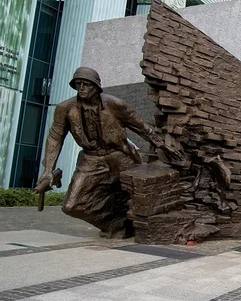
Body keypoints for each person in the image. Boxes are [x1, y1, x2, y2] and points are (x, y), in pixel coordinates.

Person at [35, 67, 183, 238]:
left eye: (87, 84)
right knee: (71, 205)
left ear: (96, 87)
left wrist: (163, 146)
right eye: (78, 84)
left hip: (120, 156)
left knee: (142, 194)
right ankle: (116, 224)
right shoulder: (65, 109)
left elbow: (141, 127)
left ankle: (144, 226)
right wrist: (48, 172)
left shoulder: (114, 104)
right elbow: (55, 137)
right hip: (91, 160)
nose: (82, 88)